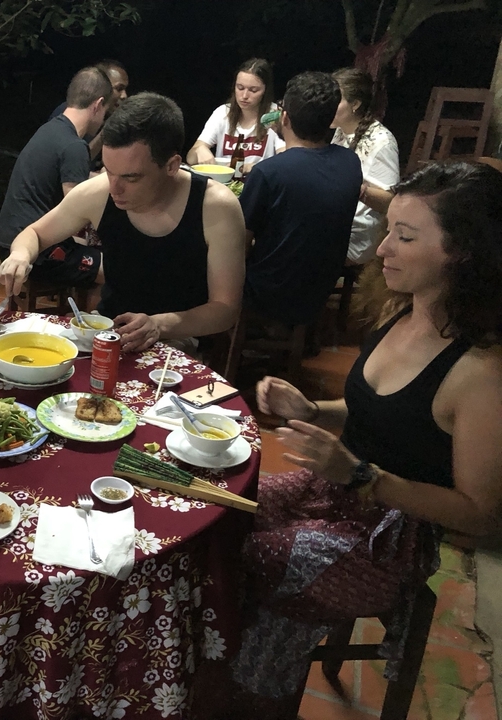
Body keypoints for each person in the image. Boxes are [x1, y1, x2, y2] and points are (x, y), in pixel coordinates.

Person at [193, 160, 502, 719]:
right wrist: (314, 409)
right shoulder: (403, 310)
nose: (382, 249)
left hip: (392, 537)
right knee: (218, 512)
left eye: (405, 237)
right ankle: (210, 668)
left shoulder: (481, 371)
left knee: (259, 556)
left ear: (463, 252)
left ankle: (253, 695)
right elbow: (381, 413)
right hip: (334, 492)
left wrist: (362, 475)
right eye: (389, 231)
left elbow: (481, 514)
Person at [0, 92, 245, 352]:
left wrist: (159, 325)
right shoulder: (99, 192)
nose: (115, 188)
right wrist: (20, 255)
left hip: (180, 340)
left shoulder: (215, 207)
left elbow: (225, 309)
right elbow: (34, 234)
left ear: (172, 166)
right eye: (108, 170)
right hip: (111, 331)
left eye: (131, 178)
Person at [240, 71, 362, 327]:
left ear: (284, 117)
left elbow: (238, 245)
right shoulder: (350, 162)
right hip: (317, 290)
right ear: (330, 120)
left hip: (267, 292)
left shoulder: (269, 172)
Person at [0, 67, 112, 295]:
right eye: (105, 111)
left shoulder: (51, 129)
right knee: (112, 267)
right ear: (97, 105)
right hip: (35, 253)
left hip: (8, 241)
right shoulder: (74, 146)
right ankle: (90, 323)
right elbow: (78, 211)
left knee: (89, 250)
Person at [330, 67, 400, 265]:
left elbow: (390, 201)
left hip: (359, 234)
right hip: (337, 221)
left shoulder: (381, 140)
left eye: (335, 100)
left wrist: (356, 189)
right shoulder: (341, 131)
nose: (327, 105)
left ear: (355, 104)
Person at [186, 57, 284, 171]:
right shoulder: (222, 112)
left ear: (265, 91)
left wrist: (252, 168)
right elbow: (190, 158)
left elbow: (286, 159)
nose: (244, 95)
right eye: (240, 88)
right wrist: (200, 149)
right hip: (223, 184)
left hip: (259, 183)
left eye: (253, 90)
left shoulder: (274, 114)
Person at [48, 60, 130, 163]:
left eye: (125, 89)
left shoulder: (112, 116)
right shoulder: (72, 112)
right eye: (119, 89)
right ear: (103, 86)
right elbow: (74, 161)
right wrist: (105, 132)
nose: (124, 96)